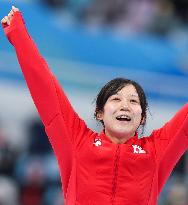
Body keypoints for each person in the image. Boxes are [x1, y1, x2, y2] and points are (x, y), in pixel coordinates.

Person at [1, 6, 188, 205]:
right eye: (116, 99)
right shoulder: (77, 142)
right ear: (100, 113)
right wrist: (18, 35)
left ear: (141, 117)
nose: (125, 105)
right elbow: (44, 87)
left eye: (133, 101)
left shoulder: (156, 151)